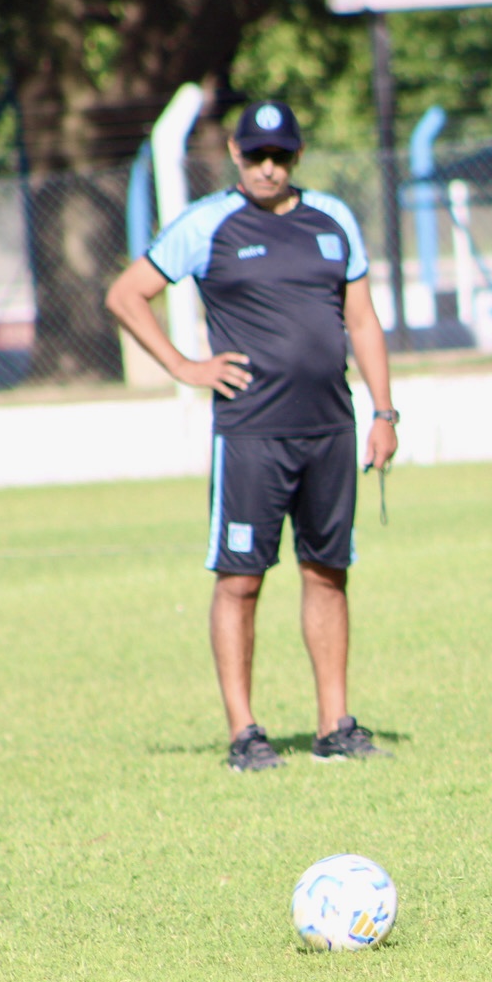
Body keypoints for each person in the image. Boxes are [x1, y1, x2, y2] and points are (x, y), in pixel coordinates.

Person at [105, 101, 399, 771]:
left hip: (331, 427)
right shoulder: (207, 223)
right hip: (250, 433)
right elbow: (126, 294)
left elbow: (363, 320)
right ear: (234, 152)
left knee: (328, 572)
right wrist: (185, 366)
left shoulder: (333, 219)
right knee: (240, 580)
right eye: (257, 154)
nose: (269, 167)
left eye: (282, 155)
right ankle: (244, 732)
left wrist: (384, 413)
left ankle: (335, 725)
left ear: (296, 156)